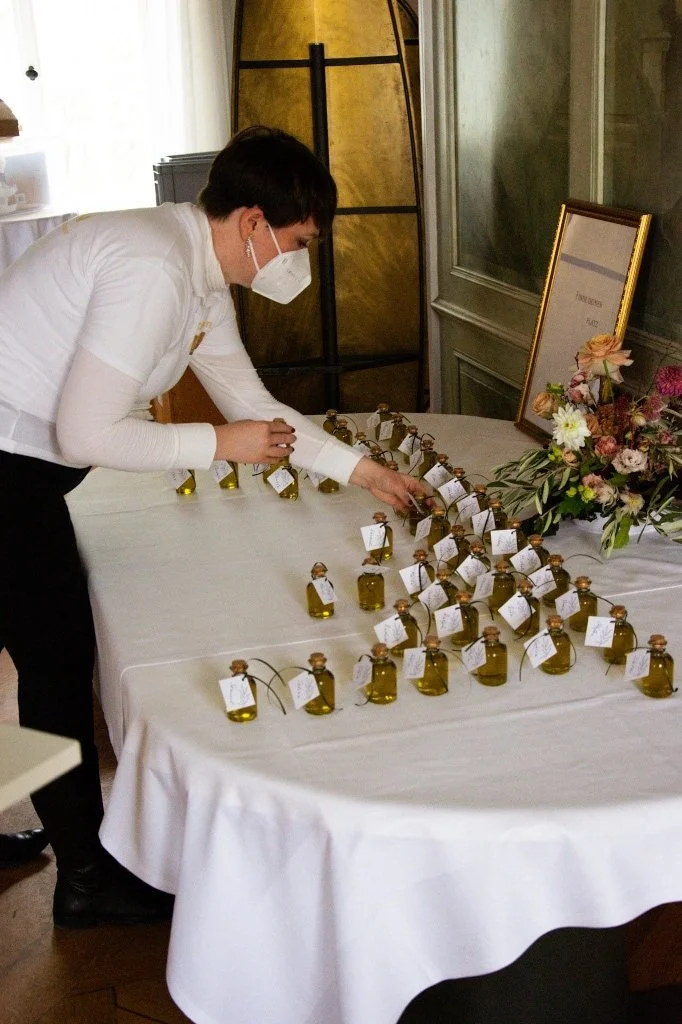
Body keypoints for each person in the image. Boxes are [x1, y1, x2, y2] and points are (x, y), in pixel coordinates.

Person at [0, 125, 429, 926]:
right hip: (7, 469)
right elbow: (86, 435)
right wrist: (217, 446)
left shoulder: (196, 271)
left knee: (51, 648)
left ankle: (81, 863)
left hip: (23, 467)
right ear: (253, 222)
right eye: (299, 241)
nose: (299, 262)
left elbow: (254, 404)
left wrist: (366, 473)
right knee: (55, 659)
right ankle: (86, 881)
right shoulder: (155, 268)